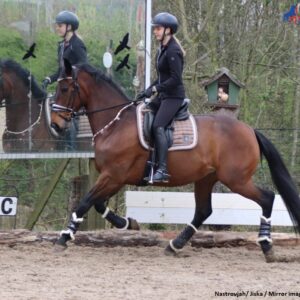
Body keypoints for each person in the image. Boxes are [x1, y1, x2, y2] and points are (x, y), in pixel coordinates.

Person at [137, 12, 186, 183]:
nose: (155, 32)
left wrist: (157, 88)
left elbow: (175, 79)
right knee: (144, 114)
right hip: (164, 95)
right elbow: (161, 76)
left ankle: (163, 170)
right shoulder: (162, 49)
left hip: (174, 97)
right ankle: (151, 163)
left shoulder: (173, 50)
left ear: (168, 30)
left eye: (158, 29)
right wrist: (148, 89)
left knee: (158, 125)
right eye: (155, 29)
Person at [42, 10, 87, 150]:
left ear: (69, 27)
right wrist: (49, 78)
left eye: (60, 26)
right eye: (57, 25)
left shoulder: (77, 44)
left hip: (75, 88)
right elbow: (61, 70)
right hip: (64, 88)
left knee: (69, 117)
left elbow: (83, 67)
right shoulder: (61, 46)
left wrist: (70, 76)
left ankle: (71, 148)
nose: (57, 28)